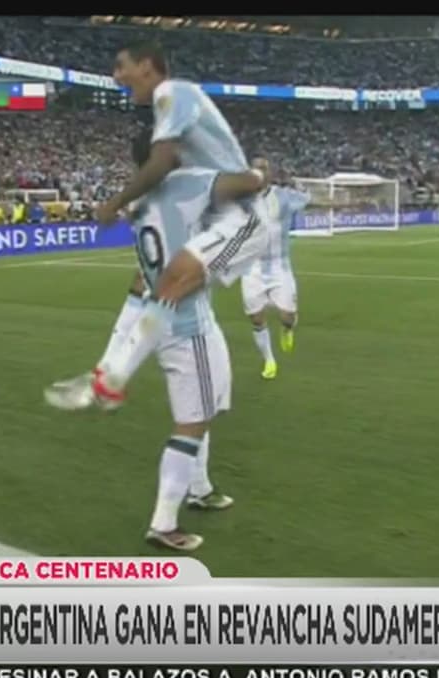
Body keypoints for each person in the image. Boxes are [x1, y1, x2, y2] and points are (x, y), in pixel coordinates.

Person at [48, 129, 268, 552]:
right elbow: (249, 183)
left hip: (167, 317)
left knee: (207, 406)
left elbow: (141, 279)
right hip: (188, 326)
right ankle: (164, 523)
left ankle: (199, 487)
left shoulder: (143, 203)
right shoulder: (187, 185)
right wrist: (258, 170)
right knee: (192, 422)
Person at [83, 40, 277, 408]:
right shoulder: (173, 134)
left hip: (242, 216)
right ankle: (114, 371)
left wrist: (115, 203)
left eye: (122, 66)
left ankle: (114, 373)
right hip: (211, 211)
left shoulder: (171, 92)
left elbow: (160, 162)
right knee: (160, 284)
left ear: (146, 66)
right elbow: (167, 168)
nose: (116, 75)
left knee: (173, 281)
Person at [242, 160, 310, 379]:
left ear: (269, 174)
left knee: (287, 316)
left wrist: (298, 184)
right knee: (256, 318)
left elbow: (309, 200)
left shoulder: (284, 196)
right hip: (251, 269)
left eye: (263, 169)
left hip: (280, 267)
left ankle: (287, 329)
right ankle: (269, 360)